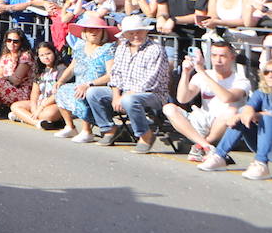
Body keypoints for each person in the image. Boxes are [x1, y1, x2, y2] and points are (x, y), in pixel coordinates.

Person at [165, 41, 249, 162]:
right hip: (202, 121)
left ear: (232, 57)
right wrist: (186, 73)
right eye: (214, 56)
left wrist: (202, 72)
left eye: (222, 56)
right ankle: (205, 146)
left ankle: (202, 145)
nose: (218, 60)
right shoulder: (203, 75)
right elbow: (182, 99)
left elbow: (227, 98)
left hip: (224, 126)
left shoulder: (240, 80)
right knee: (169, 108)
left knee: (231, 111)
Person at [106, 14, 173, 154]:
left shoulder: (155, 49)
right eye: (131, 33)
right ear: (125, 34)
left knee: (130, 99)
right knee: (94, 94)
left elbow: (152, 79)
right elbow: (116, 73)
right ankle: (108, 128)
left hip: (153, 94)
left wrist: (128, 94)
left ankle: (145, 135)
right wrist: (116, 95)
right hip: (125, 90)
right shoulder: (122, 48)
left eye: (139, 32)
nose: (136, 36)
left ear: (146, 31)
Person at [197, 59, 272, 179]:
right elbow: (248, 108)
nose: (270, 75)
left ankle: (261, 164)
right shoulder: (261, 93)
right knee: (241, 114)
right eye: (267, 72)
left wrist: (258, 115)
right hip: (264, 145)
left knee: (267, 119)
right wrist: (242, 114)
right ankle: (219, 156)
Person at [52, 13, 118, 142]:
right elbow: (71, 67)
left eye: (98, 29)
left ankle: (87, 131)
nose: (94, 32)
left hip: (97, 86)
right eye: (91, 29)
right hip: (79, 84)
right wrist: (60, 81)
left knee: (82, 93)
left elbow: (110, 75)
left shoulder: (108, 49)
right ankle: (70, 126)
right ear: (85, 32)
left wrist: (89, 84)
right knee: (61, 90)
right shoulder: (80, 46)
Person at [10, 41, 64, 128]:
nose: (46, 57)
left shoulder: (61, 68)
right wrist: (34, 108)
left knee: (49, 114)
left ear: (54, 53)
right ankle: (37, 123)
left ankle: (24, 117)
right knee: (15, 106)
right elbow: (35, 93)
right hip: (40, 101)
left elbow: (58, 93)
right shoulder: (39, 70)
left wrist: (41, 107)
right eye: (42, 55)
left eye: (48, 54)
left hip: (54, 103)